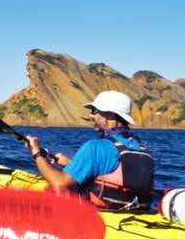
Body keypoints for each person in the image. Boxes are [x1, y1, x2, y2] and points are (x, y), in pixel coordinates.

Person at [24, 90, 155, 210]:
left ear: (110, 114)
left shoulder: (94, 147)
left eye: (94, 110)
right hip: (133, 213)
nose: (90, 115)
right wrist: (72, 164)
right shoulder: (143, 149)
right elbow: (117, 172)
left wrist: (37, 152)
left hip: (99, 214)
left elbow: (59, 183)